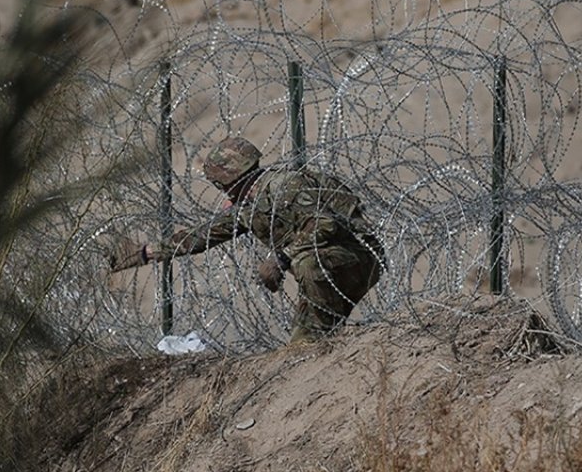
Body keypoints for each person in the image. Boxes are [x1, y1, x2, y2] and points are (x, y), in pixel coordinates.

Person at [109, 137, 385, 344]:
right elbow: (202, 236)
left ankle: (316, 344)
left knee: (307, 265)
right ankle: (315, 345)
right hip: (333, 263)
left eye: (221, 184)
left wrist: (281, 257)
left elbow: (325, 223)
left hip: (359, 255)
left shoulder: (284, 187)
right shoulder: (247, 206)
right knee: (304, 334)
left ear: (230, 179)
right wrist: (147, 252)